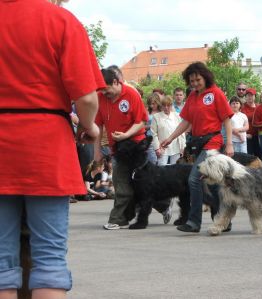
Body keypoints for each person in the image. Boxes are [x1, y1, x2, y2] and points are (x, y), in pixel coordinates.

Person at [0, 0, 104, 297]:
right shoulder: (61, 20)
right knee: (49, 258)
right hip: (45, 146)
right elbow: (86, 98)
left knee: (1, 265)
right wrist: (89, 127)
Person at [160, 62, 234, 233]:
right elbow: (186, 121)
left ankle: (194, 222)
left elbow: (226, 120)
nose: (194, 83)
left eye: (197, 80)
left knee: (194, 179)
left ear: (205, 77)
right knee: (213, 184)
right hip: (197, 143)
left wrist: (229, 143)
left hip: (213, 143)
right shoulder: (192, 96)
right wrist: (170, 138)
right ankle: (224, 219)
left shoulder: (216, 93)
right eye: (191, 81)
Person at [93, 69, 154, 230]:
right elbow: (98, 126)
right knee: (121, 183)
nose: (104, 93)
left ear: (115, 82)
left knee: (143, 184)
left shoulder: (132, 94)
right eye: (101, 90)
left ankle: (162, 204)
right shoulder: (101, 98)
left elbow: (141, 121)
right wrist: (97, 150)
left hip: (136, 147)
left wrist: (126, 134)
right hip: (117, 149)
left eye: (106, 89)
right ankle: (119, 219)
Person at [152, 95, 186, 165]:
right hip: (162, 148)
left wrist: (183, 146)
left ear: (171, 105)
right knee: (161, 168)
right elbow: (154, 134)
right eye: (164, 105)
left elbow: (181, 132)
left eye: (168, 105)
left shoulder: (177, 115)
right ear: (161, 106)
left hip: (176, 147)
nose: (166, 108)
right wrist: (157, 148)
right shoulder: (156, 117)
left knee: (175, 169)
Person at [241, 88, 261, 157]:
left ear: (255, 97)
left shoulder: (259, 107)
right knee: (249, 156)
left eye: (252, 95)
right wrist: (245, 134)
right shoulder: (242, 107)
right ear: (245, 97)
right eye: (248, 95)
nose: (250, 97)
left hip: (258, 136)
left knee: (259, 156)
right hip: (247, 136)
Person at [145, 93, 162, 164]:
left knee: (161, 160)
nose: (152, 106)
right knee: (153, 160)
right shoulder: (147, 112)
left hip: (161, 138)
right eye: (150, 104)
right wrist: (150, 126)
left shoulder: (162, 112)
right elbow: (143, 126)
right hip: (150, 138)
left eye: (153, 104)